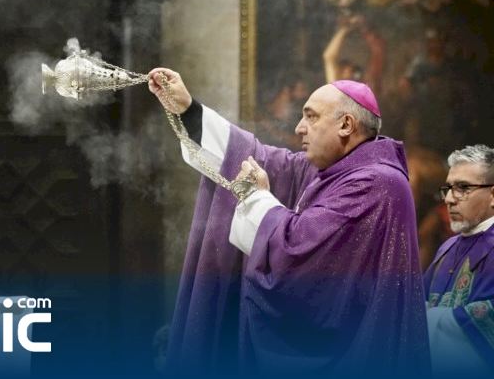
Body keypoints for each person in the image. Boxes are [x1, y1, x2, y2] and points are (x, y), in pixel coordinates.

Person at [150, 68, 428, 374]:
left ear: (346, 125)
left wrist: (257, 197)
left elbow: (299, 253)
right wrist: (189, 110)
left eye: (311, 116)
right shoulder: (334, 171)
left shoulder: (375, 182)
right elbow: (256, 157)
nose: (299, 128)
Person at [423, 144, 494, 371]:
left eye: (463, 188)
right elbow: (419, 302)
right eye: (448, 188)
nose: (449, 199)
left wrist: (430, 319)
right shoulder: (447, 248)